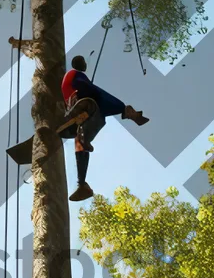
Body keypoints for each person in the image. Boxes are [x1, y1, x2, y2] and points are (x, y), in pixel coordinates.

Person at [59, 54, 148, 202]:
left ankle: (82, 184)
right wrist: (88, 90)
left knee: (80, 141)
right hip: (83, 104)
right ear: (80, 65)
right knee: (95, 109)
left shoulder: (74, 77)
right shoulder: (75, 74)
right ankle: (126, 111)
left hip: (83, 108)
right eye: (84, 62)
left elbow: (81, 89)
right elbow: (84, 87)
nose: (85, 65)